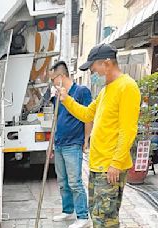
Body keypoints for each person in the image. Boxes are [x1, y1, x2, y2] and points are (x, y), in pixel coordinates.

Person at [58, 44, 141, 228]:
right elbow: (87, 114)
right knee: (98, 218)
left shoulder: (127, 87)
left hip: (109, 167)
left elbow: (128, 130)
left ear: (107, 62)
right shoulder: (106, 90)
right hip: (97, 165)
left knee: (106, 221)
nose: (92, 70)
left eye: (94, 66)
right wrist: (66, 100)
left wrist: (117, 163)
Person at [49, 61, 92, 228]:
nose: (52, 82)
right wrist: (51, 144)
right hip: (59, 143)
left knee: (75, 182)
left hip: (73, 143)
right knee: (63, 180)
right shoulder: (57, 97)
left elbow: (88, 117)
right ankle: (68, 210)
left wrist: (86, 140)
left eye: (53, 79)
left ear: (61, 76)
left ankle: (83, 216)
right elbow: (55, 121)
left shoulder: (81, 92)